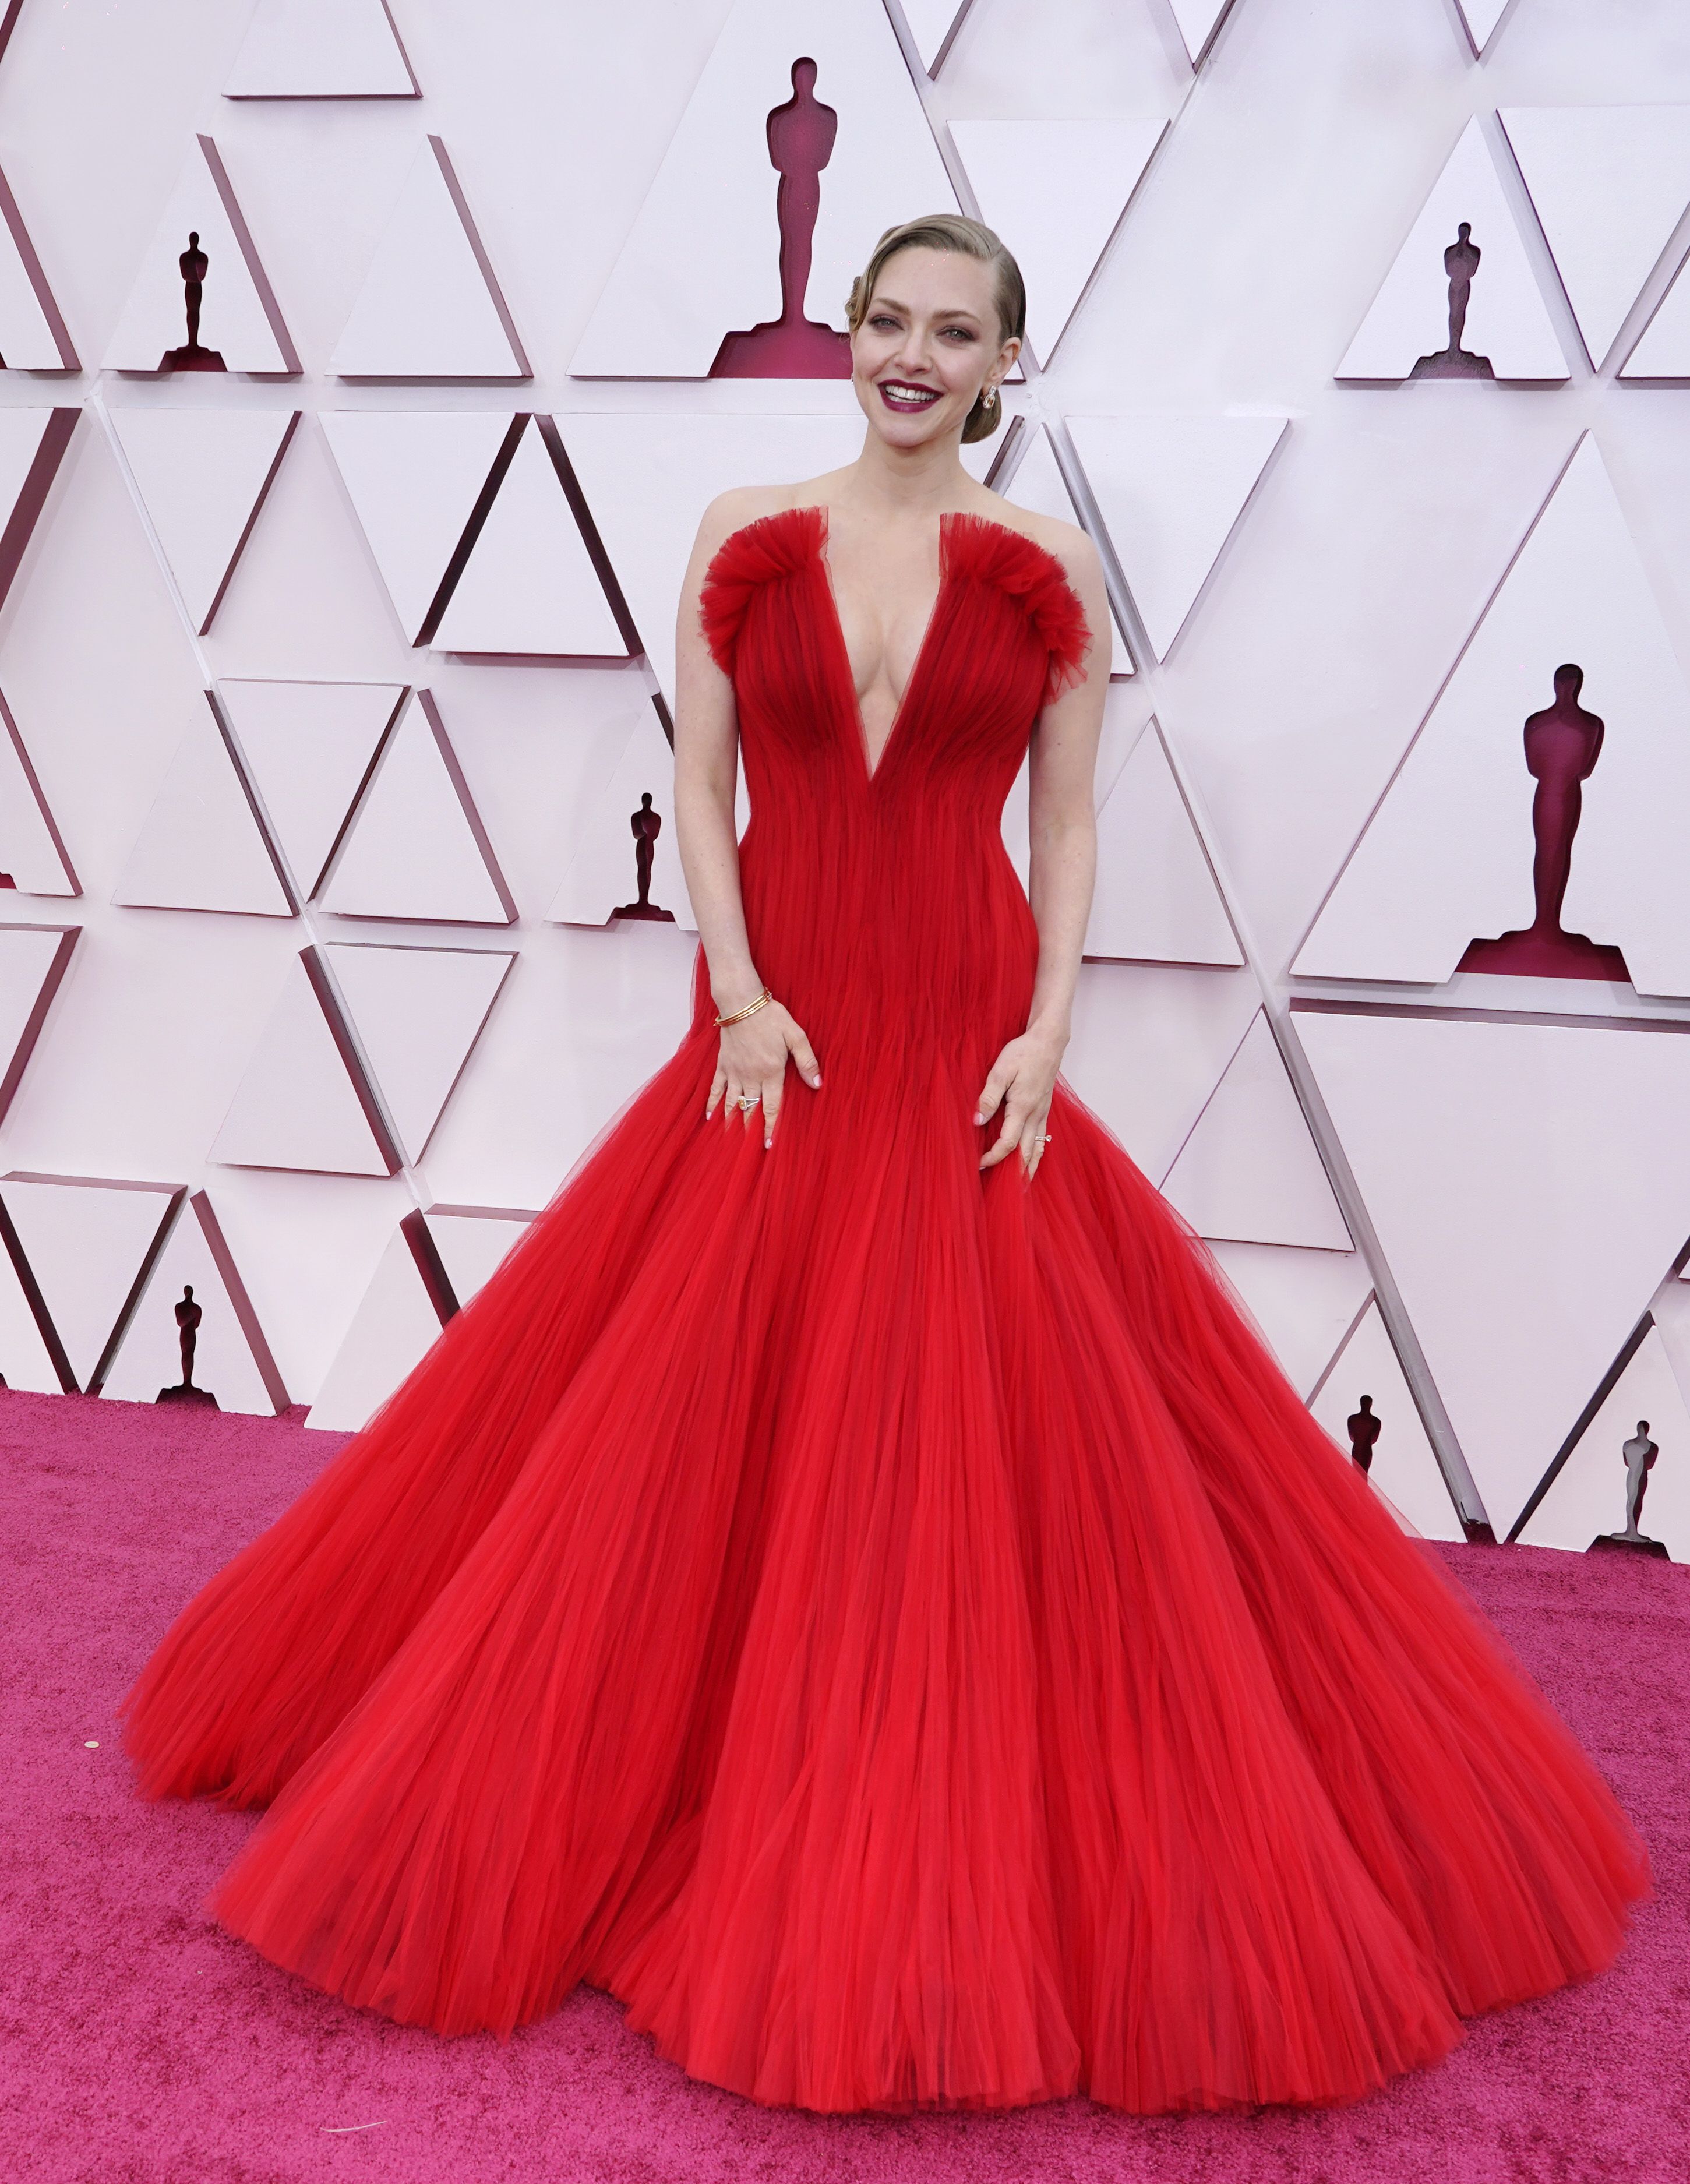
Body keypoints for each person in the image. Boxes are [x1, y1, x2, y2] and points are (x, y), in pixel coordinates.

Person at [122, 213, 1647, 2118]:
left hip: (958, 1029)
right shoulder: (740, 530)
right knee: (684, 1436)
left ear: (1008, 363)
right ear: (846, 333)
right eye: (885, 320)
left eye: (954, 333)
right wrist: (740, 994)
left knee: (954, 1453)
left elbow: (1074, 820)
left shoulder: (1048, 568)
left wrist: (1048, 1030)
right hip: (777, 1032)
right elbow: (696, 779)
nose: (910, 355)